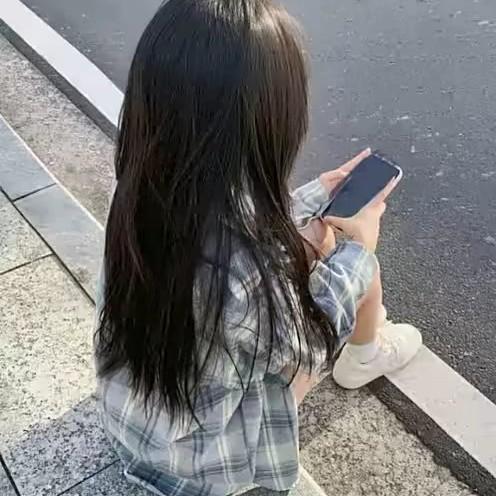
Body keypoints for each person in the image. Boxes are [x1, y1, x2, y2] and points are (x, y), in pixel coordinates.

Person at [94, 0, 422, 494]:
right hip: (198, 470)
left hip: (131, 423)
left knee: (312, 240)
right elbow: (312, 341)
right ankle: (365, 355)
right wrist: (359, 249)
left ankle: (365, 338)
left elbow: (239, 221)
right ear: (271, 123)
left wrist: (313, 196)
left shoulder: (138, 192)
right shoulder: (244, 266)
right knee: (347, 267)